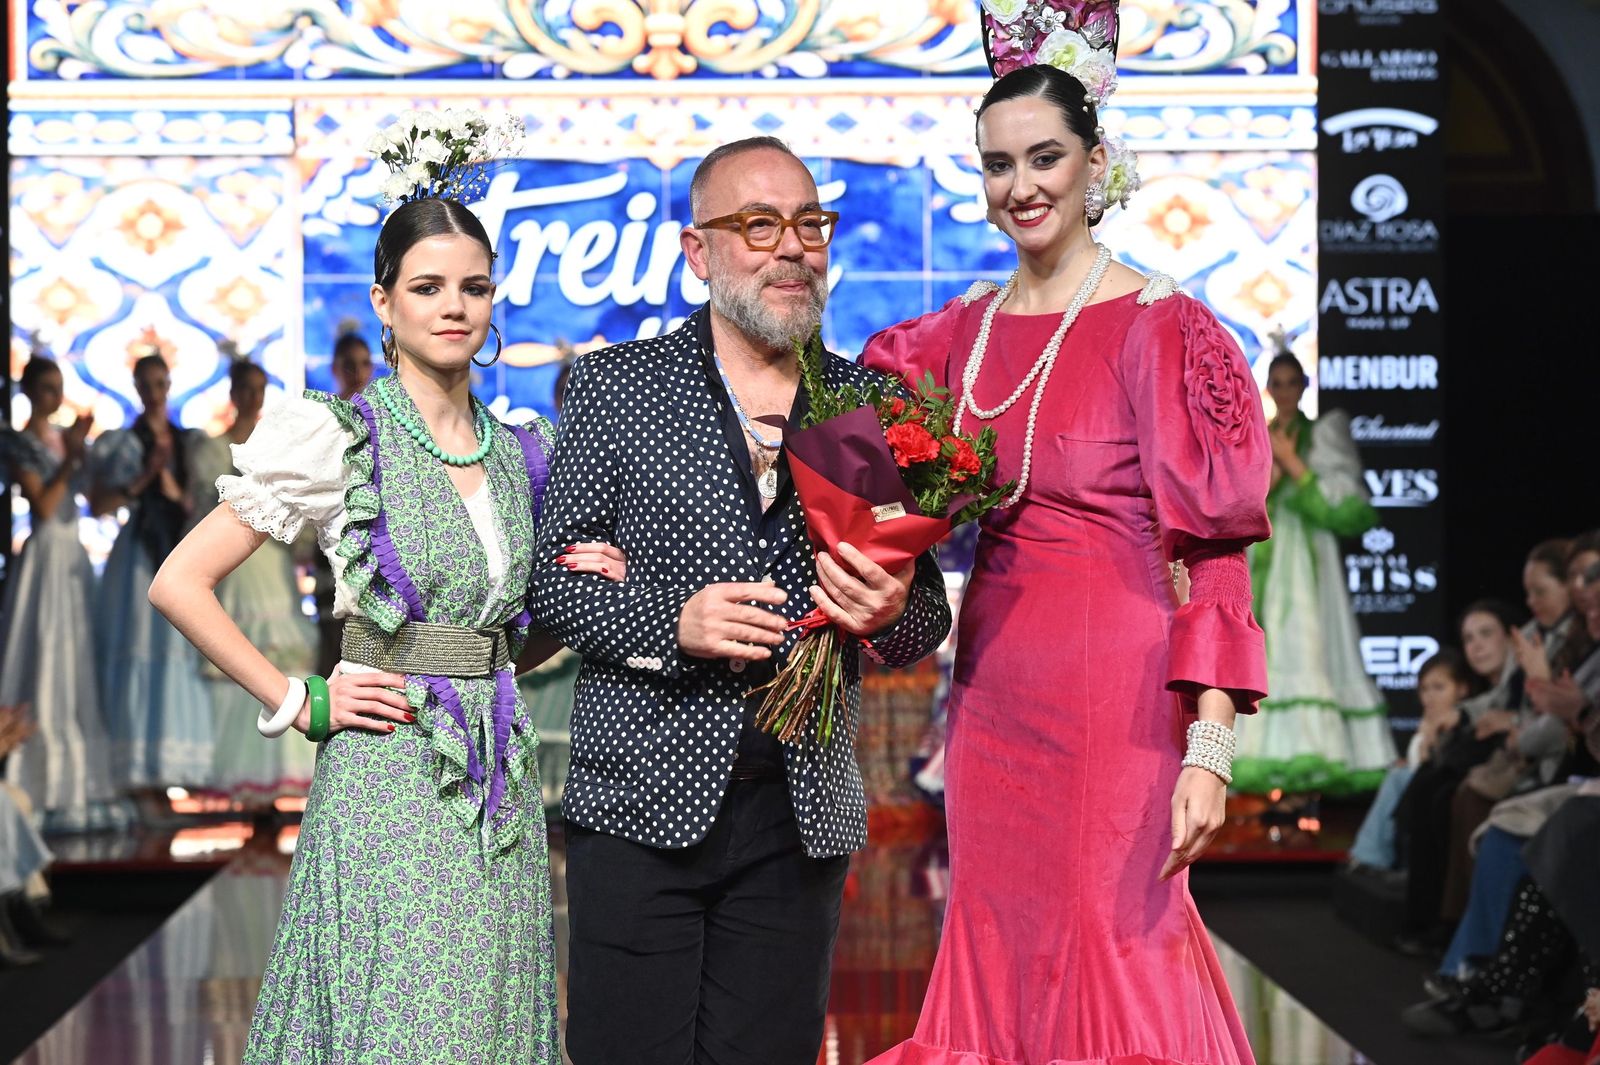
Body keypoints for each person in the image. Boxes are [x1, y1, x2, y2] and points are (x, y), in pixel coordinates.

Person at [858, 15, 1270, 1061]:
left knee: (1113, 945)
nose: (1020, 186)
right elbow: (854, 493)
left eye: (1044, 157)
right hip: (994, 696)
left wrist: (1210, 748)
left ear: (1096, 162)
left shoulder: (1161, 328)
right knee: (996, 942)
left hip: (1120, 701)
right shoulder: (947, 338)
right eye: (997, 165)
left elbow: (1215, 554)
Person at [149, 194, 624, 1063]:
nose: (453, 306)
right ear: (384, 302)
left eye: (473, 287)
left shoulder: (524, 449)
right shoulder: (341, 438)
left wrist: (577, 598)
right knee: (401, 1024)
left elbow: (508, 646)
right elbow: (180, 582)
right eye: (428, 286)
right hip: (387, 777)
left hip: (497, 784)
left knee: (488, 1020)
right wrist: (300, 698)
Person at [532, 135, 952, 1064]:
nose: (791, 247)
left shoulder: (860, 401)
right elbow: (552, 584)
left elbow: (926, 613)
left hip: (798, 817)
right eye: (758, 224)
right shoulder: (618, 387)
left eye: (810, 223)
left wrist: (888, 613)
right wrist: (670, 621)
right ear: (698, 252)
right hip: (640, 805)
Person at [1232, 350, 1391, 795]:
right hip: (1261, 563)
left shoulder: (1323, 434)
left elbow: (1349, 514)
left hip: (1307, 567)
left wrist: (1296, 466)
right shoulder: (1254, 438)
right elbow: (1240, 508)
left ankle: (1307, 788)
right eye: (1276, 384)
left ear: (1304, 387)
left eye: (1291, 383)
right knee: (1259, 653)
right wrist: (1273, 474)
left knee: (1307, 646)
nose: (1284, 392)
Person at [0, 357, 126, 832]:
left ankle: (81, 782)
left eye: (59, 388)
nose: (55, 397)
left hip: (73, 554)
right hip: (46, 553)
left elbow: (93, 502)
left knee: (75, 657)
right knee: (45, 650)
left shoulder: (61, 440)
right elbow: (47, 504)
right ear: (30, 391)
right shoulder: (20, 443)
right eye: (47, 388)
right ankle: (36, 779)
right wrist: (72, 455)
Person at [188, 359, 319, 811]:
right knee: (232, 652)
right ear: (233, 392)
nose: (253, 396)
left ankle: (283, 783)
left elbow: (299, 522)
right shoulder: (212, 449)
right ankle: (243, 789)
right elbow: (206, 507)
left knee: (282, 657)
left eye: (260, 388)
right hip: (231, 567)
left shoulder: (280, 448)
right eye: (246, 388)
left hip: (273, 566)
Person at [89, 353, 213, 800]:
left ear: (169, 384)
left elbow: (202, 503)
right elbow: (98, 504)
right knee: (139, 646)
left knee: (177, 647)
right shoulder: (123, 442)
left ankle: (174, 770)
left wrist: (173, 485)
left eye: (161, 383)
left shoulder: (190, 442)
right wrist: (146, 475)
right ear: (137, 388)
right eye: (147, 384)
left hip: (179, 551)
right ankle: (140, 773)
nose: (155, 392)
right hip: (139, 554)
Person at [1347, 649, 1477, 871]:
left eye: (1439, 687)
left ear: (1462, 689)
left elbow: (1437, 768)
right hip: (1426, 791)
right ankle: (1370, 855)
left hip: (1449, 788)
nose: (1429, 696)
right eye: (1424, 689)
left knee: (1399, 779)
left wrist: (1429, 741)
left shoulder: (1463, 720)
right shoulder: (1427, 722)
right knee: (1398, 775)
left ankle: (1371, 856)